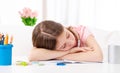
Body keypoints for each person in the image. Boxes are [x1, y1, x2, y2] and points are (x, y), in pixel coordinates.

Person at [29, 20, 103, 62]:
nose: (71, 42)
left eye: (67, 35)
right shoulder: (49, 45)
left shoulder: (81, 31)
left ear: (63, 27)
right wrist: (68, 51)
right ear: (51, 50)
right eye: (63, 46)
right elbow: (32, 56)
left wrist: (58, 56)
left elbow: (98, 56)